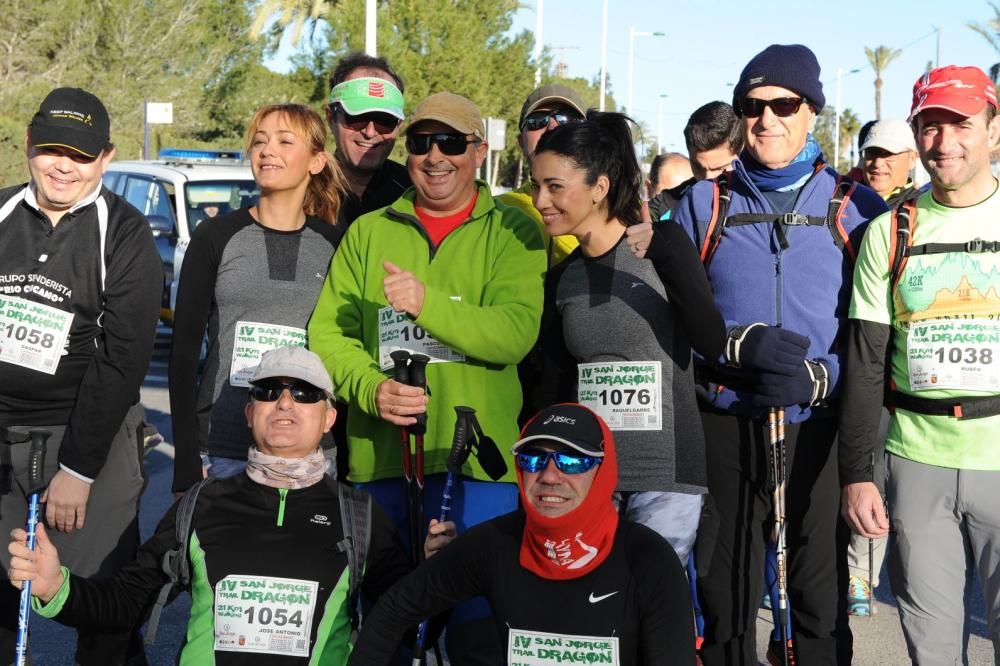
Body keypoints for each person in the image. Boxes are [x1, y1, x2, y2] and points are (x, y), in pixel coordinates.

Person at [308, 91, 546, 663]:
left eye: (452, 143)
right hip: (383, 467)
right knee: (386, 637)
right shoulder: (368, 232)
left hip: (477, 472)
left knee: (479, 638)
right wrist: (372, 388)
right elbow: (326, 337)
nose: (435, 156)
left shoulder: (515, 229)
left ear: (479, 152)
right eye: (421, 143)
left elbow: (515, 333)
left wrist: (426, 304)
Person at [669, 44, 887, 665]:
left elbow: (873, 338)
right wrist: (734, 357)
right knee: (726, 596)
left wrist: (820, 378)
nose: (767, 119)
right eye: (753, 106)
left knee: (817, 604)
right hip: (726, 423)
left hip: (815, 429)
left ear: (811, 112)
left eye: (783, 105)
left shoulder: (856, 209)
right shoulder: (703, 204)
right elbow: (679, 325)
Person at [8, 346, 414, 664]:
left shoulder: (357, 514)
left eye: (304, 393)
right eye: (268, 392)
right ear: (249, 411)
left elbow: (415, 618)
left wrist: (442, 566)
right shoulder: (202, 506)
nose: (285, 403)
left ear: (329, 418)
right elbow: (123, 606)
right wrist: (55, 586)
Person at [841, 65, 1000, 664]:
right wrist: (857, 473)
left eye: (960, 123)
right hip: (916, 462)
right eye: (929, 126)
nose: (943, 142)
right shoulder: (889, 231)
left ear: (993, 129)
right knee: (930, 648)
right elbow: (865, 362)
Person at [0, 87, 162, 663]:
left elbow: (124, 357)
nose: (64, 165)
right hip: (5, 437)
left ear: (106, 158)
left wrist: (78, 470)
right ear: (28, 145)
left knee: (101, 607)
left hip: (88, 439)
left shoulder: (125, 232)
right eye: (51, 149)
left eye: (82, 154)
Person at [347, 403, 696, 666]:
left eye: (572, 461)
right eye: (532, 459)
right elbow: (394, 610)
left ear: (603, 470)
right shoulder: (498, 543)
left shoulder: (647, 559)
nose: (549, 475)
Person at [527, 111, 725, 567]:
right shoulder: (562, 279)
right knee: (596, 620)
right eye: (538, 185)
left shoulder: (665, 246)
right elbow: (556, 392)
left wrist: (666, 253)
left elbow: (710, 339)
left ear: (598, 187)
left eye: (555, 186)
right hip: (588, 478)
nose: (541, 200)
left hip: (666, 475)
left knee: (649, 614)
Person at [170, 104, 347, 494]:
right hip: (221, 451)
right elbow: (182, 355)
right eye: (260, 142)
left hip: (312, 457)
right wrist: (185, 458)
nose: (268, 151)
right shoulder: (214, 237)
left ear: (317, 161)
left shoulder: (336, 244)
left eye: (285, 141)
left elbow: (343, 347)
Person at [842, 116, 919, 616]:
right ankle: (856, 575)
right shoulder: (844, 208)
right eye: (873, 153)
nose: (879, 162)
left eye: (891, 154)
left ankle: (865, 573)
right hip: (854, 361)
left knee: (886, 481)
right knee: (859, 469)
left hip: (903, 378)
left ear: (910, 161)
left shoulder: (914, 215)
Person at [498, 84, 587, 266]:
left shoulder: (622, 210)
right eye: (537, 121)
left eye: (568, 119)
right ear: (521, 141)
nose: (552, 127)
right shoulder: (496, 210)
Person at [326, 52, 411, 226]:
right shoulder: (300, 189)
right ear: (330, 118)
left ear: (399, 125)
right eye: (357, 117)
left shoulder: (415, 192)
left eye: (385, 120)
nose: (370, 132)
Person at [648, 101, 741, 222]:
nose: (708, 178)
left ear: (741, 153)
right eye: (698, 168)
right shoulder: (665, 205)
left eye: (719, 169)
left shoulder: (763, 202)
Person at [859, 118, 920, 207]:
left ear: (912, 159)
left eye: (889, 154)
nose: (877, 163)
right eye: (871, 152)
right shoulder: (842, 202)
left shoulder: (922, 209)